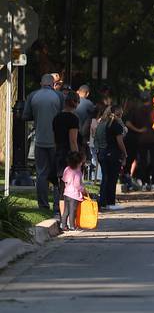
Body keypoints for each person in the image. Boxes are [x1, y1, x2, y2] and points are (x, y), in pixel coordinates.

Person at [22, 73, 64, 212]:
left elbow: (25, 116)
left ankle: (43, 205)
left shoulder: (32, 96)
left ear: (41, 83)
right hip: (56, 141)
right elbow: (63, 115)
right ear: (53, 84)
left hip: (40, 140)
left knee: (41, 174)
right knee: (59, 174)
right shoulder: (58, 96)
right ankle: (58, 205)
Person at [52, 91, 82, 219]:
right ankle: (66, 212)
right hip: (69, 154)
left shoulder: (57, 117)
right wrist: (77, 158)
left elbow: (55, 137)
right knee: (70, 184)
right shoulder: (73, 119)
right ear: (75, 103)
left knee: (59, 182)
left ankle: (56, 208)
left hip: (58, 151)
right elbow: (73, 140)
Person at [96, 105, 127, 211]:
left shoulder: (104, 124)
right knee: (112, 178)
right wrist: (125, 153)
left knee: (105, 177)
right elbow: (120, 141)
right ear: (119, 114)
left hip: (103, 152)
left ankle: (103, 201)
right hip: (113, 154)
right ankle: (110, 201)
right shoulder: (116, 125)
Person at [61, 151, 86, 232]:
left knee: (66, 211)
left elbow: (64, 179)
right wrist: (83, 190)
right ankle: (72, 226)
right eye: (81, 162)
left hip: (67, 193)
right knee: (73, 211)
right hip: (74, 195)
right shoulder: (78, 172)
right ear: (78, 163)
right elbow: (77, 185)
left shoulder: (67, 169)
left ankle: (64, 225)